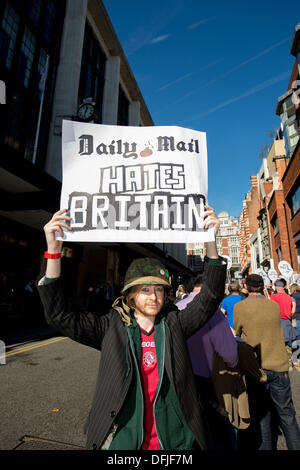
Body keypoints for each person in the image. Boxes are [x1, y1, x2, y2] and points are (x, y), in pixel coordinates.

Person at [37, 206, 226, 450]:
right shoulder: (110, 328)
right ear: (130, 295)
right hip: (123, 442)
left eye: (158, 289)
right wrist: (53, 252)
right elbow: (59, 315)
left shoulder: (174, 324)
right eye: (144, 290)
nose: (153, 296)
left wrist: (209, 240)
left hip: (176, 443)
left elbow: (209, 297)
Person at [233, 274, 300, 450]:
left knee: (263, 417)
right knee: (287, 416)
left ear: (246, 286)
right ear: (262, 286)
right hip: (279, 365)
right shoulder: (273, 306)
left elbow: (237, 332)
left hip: (257, 368)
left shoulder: (240, 307)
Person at [176, 274, 239, 450]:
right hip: (205, 383)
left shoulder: (176, 308)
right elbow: (230, 354)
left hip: (178, 381)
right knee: (220, 435)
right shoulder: (213, 312)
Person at [270, 278, 297, 366]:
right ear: (283, 287)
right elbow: (293, 311)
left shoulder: (273, 297)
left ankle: (285, 363)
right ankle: (292, 361)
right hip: (287, 321)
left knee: (280, 344)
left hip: (278, 322)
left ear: (277, 287)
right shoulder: (289, 297)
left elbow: (271, 310)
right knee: (289, 343)